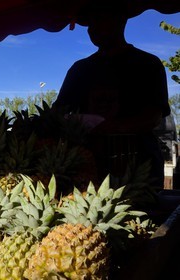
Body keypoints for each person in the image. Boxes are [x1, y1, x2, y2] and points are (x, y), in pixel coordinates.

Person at [52, 3, 170, 188]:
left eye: (99, 20)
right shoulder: (79, 69)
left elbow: (153, 117)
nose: (92, 29)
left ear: (120, 21)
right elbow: (57, 115)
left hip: (138, 172)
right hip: (88, 173)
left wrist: (107, 127)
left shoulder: (147, 64)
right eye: (90, 24)